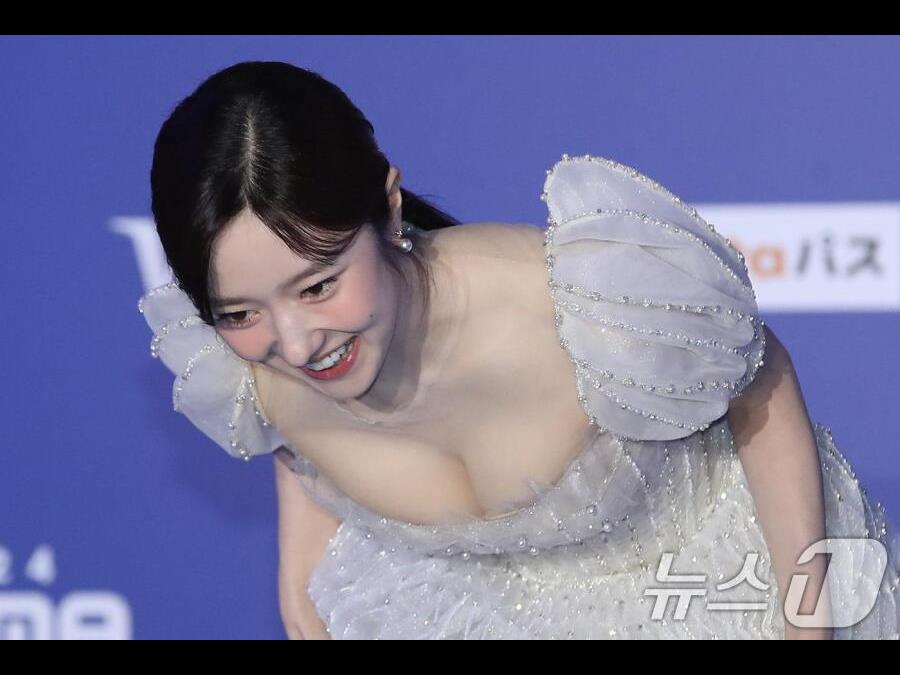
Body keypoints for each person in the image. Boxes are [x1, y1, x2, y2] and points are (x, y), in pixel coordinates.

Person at [138, 61, 899, 639]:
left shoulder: (587, 302)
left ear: (389, 207)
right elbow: (296, 451)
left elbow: (763, 385)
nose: (297, 344)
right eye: (240, 311)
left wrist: (807, 619)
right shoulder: (252, 374)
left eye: (318, 286)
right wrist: (302, 584)